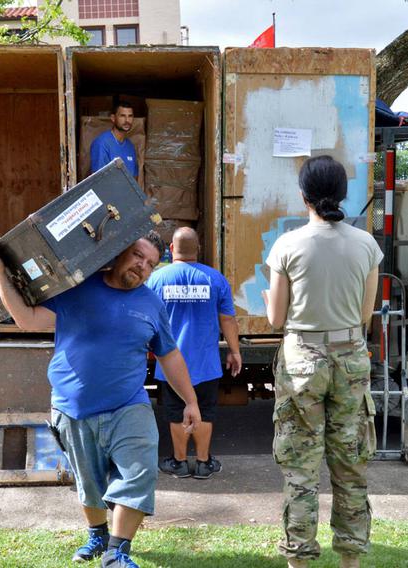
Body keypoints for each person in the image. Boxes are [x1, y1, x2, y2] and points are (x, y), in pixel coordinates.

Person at [0, 231, 200, 568]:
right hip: (73, 406)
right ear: (120, 251)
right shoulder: (77, 287)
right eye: (137, 255)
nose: (142, 267)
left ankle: (117, 552)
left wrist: (191, 400)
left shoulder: (151, 303)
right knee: (90, 483)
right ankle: (98, 535)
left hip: (128, 404)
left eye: (150, 264)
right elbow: (27, 320)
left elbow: (169, 354)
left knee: (139, 472)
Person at [262, 155, 381, 568]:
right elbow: (366, 314)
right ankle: (351, 561)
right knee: (351, 466)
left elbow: (276, 318)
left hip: (302, 361)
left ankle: (299, 561)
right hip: (350, 356)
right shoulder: (367, 244)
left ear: (303, 196)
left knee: (300, 470)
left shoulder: (288, 245)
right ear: (343, 195)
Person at [146, 227, 242, 479]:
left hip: (170, 363)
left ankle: (178, 462)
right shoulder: (216, 279)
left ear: (171, 249)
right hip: (206, 362)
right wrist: (234, 351)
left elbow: (146, 318)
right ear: (197, 249)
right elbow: (228, 319)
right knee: (205, 409)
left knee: (176, 411)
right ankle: (202, 462)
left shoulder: (157, 279)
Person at [90, 100, 137, 179]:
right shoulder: (102, 143)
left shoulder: (130, 146)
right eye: (122, 116)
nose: (127, 120)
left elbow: (134, 178)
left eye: (130, 116)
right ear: (113, 118)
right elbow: (98, 180)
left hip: (126, 191)